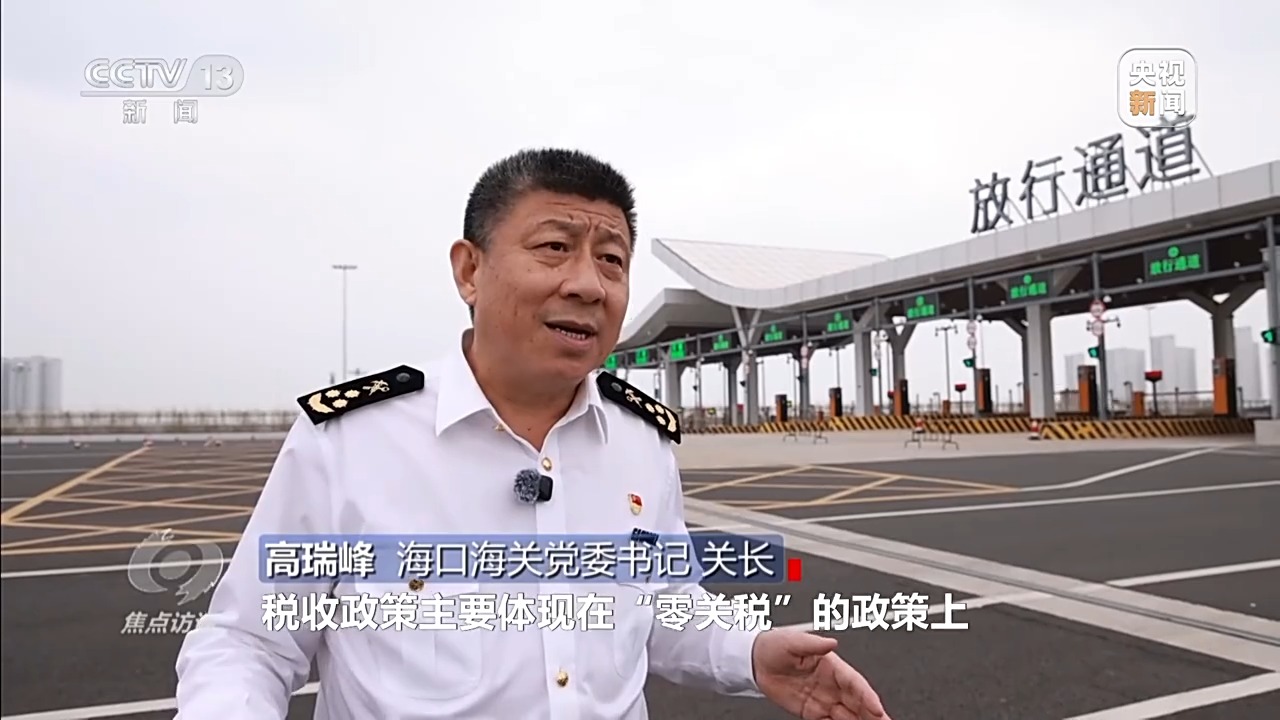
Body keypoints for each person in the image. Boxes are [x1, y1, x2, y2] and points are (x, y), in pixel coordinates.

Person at [174, 148, 891, 720]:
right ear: (470, 270)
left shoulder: (641, 440)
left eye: (611, 260)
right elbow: (249, 642)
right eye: (554, 247)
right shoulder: (354, 438)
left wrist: (752, 653)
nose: (588, 284)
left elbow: (665, 605)